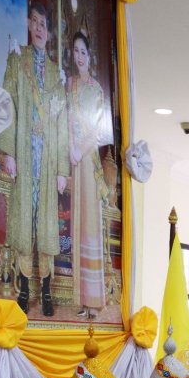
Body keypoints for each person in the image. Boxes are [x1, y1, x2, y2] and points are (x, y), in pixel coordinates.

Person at [0, 1, 69, 317]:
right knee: (26, 222)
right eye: (36, 22)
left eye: (45, 24)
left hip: (49, 158)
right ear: (29, 24)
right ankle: (26, 290)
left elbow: (62, 121)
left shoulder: (56, 73)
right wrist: (9, 151)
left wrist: (62, 169)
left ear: (50, 33)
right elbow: (8, 105)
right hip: (26, 156)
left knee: (47, 227)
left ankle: (48, 291)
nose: (40, 28)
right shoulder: (17, 62)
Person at [67, 31, 106, 320]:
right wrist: (70, 147)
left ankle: (94, 302)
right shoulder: (70, 85)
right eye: (76, 51)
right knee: (77, 224)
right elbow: (67, 119)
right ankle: (81, 299)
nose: (79, 56)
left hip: (88, 160)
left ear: (90, 56)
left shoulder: (97, 90)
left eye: (83, 51)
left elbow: (97, 130)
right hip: (73, 159)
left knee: (90, 223)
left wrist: (80, 149)